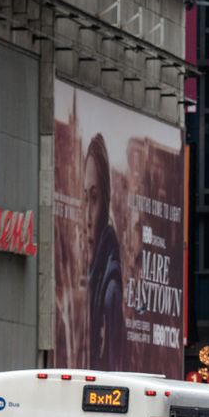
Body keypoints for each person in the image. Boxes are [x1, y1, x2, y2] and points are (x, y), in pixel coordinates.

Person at [83, 133, 125, 368]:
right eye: (85, 198)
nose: (88, 216)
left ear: (106, 202)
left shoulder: (110, 289)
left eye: (95, 198)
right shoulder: (98, 277)